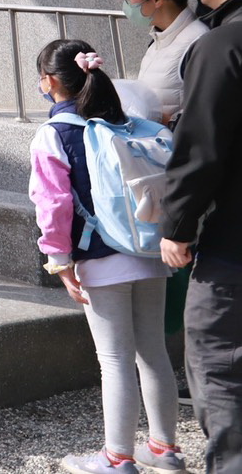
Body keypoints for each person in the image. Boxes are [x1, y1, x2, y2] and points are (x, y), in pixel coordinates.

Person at [29, 38, 183, 474]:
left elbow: (53, 204)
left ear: (50, 82)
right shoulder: (127, 124)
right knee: (153, 351)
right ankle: (165, 449)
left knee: (114, 360)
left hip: (100, 257)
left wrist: (59, 261)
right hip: (149, 249)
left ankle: (117, 458)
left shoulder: (55, 134)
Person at [161, 0, 242, 474]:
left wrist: (178, 225)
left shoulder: (222, 44)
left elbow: (201, 149)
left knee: (220, 369)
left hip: (234, 245)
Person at [121, 0, 208, 124]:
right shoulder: (157, 40)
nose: (126, 5)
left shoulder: (198, 42)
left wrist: (166, 121)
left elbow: (207, 112)